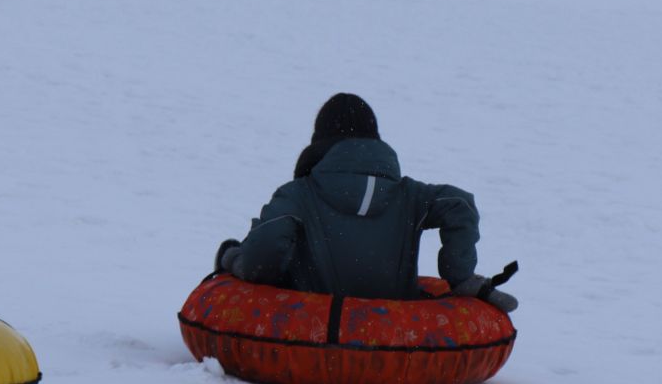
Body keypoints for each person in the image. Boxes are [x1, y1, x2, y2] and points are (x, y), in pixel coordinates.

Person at [212, 93, 516, 311]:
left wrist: (232, 258)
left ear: (319, 141)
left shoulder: (298, 195)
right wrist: (460, 275)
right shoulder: (411, 196)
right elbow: (459, 205)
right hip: (398, 336)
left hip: (311, 330)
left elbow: (260, 262)